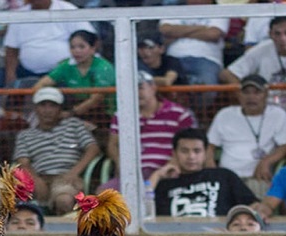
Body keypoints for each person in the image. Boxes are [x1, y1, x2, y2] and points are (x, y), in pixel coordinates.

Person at [99, 71, 196, 192]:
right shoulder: (121, 115)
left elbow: (188, 144)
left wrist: (168, 168)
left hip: (167, 172)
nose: (136, 93)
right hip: (132, 175)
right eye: (130, 89)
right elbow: (113, 144)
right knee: (103, 194)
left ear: (153, 88)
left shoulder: (179, 113)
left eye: (140, 88)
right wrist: (120, 164)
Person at [13, 87, 101, 215]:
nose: (47, 110)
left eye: (52, 106)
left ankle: (65, 234)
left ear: (60, 109)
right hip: (38, 177)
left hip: (66, 177)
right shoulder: (25, 135)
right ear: (35, 109)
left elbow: (93, 148)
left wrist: (74, 173)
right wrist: (35, 180)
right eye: (43, 105)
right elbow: (23, 162)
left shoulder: (74, 125)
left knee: (64, 200)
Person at [207, 74, 286, 199]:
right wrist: (212, 170)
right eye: (246, 92)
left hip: (257, 176)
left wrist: (266, 161)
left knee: (255, 209)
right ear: (239, 95)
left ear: (266, 94)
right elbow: (210, 145)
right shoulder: (225, 114)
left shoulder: (278, 115)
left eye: (256, 92)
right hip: (227, 176)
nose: (251, 97)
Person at [148, 128, 259, 217]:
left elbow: (253, 206)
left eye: (197, 151)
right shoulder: (164, 184)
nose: (191, 156)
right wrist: (157, 175)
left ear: (206, 153)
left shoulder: (224, 176)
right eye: (184, 151)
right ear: (174, 153)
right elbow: (141, 209)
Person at [221, 16, 286, 118]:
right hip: (269, 111)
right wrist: (243, 94)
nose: (283, 38)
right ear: (270, 34)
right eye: (277, 34)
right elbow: (227, 74)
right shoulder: (261, 49)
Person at [2, 0, 95, 85]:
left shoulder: (67, 9)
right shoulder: (19, 15)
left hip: (63, 72)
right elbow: (11, 49)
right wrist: (10, 75)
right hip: (28, 73)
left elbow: (90, 39)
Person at [32, 30, 116, 120]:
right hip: (77, 111)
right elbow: (41, 84)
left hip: (105, 113)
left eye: (81, 47)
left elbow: (96, 100)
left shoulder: (104, 68)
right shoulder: (66, 65)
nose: (76, 51)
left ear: (93, 48)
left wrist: (70, 113)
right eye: (72, 47)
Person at [158, 0, 229, 103]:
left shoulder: (219, 10)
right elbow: (166, 30)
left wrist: (178, 32)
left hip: (206, 60)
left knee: (207, 91)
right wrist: (201, 29)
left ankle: (195, 116)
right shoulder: (174, 9)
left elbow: (212, 34)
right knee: (162, 90)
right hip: (174, 59)